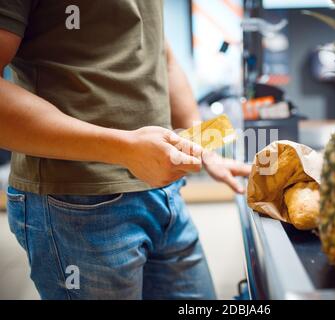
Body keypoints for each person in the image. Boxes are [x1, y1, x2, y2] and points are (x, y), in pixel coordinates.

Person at [0, 0, 250, 300]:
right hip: (76, 202)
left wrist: (202, 144)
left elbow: (161, 56)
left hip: (165, 195)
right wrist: (124, 148)